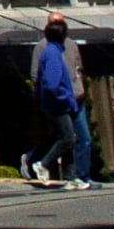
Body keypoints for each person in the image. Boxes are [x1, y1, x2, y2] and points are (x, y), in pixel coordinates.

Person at [29, 15, 83, 189]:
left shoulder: (51, 51)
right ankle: (42, 163)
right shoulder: (53, 54)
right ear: (63, 36)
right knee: (68, 138)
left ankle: (70, 177)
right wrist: (65, 98)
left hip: (57, 104)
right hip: (58, 105)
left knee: (67, 139)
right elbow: (51, 85)